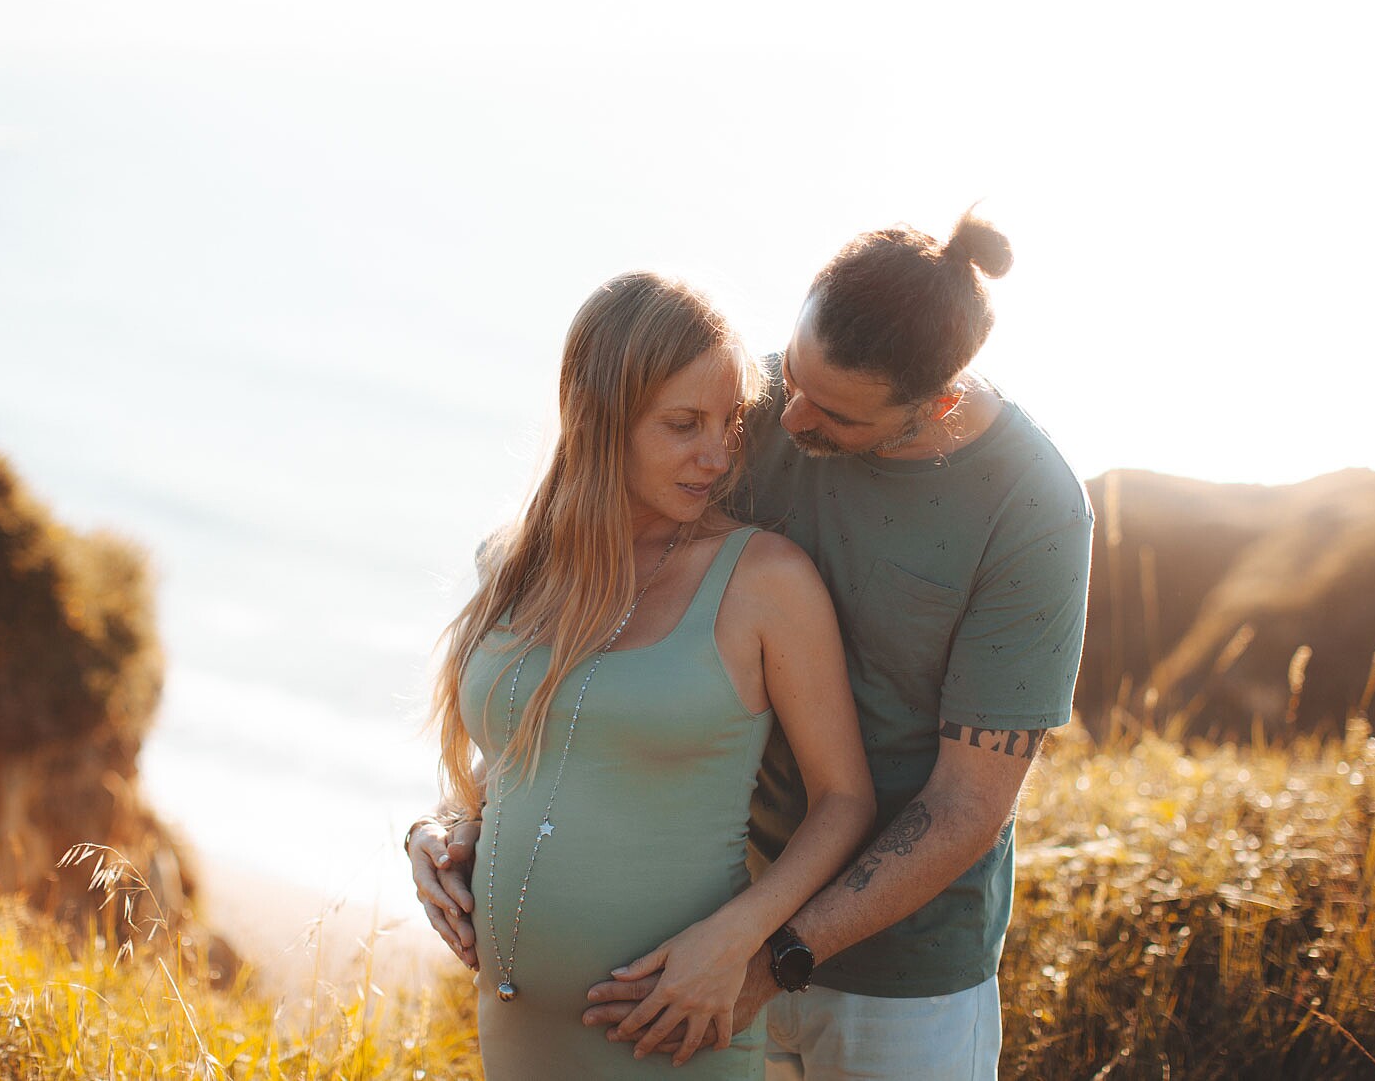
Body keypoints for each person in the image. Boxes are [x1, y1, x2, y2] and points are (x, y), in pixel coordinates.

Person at [415, 210, 1094, 1079]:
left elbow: (966, 805)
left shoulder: (1032, 508)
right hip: (701, 938)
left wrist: (766, 956)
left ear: (939, 403)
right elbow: (579, 665)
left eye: (834, 413)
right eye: (790, 376)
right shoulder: (745, 411)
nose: (785, 414)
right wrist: (451, 821)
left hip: (897, 977)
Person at [413, 271, 876, 1079]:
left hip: (679, 1033)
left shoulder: (764, 580)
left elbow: (844, 801)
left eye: (728, 422)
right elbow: (534, 750)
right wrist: (439, 832)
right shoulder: (515, 561)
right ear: (597, 420)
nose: (718, 454)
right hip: (518, 1033)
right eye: (682, 424)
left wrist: (739, 941)